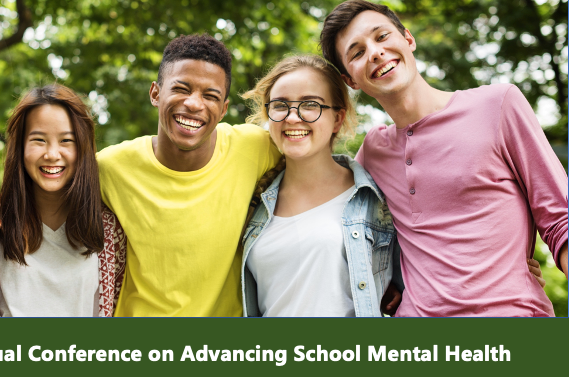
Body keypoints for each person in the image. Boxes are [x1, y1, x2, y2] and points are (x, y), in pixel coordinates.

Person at [320, 0, 567, 316]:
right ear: (350, 80)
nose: (375, 52)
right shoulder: (372, 152)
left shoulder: (498, 105)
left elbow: (560, 217)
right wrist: (387, 282)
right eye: (357, 52)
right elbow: (352, 233)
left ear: (408, 39)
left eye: (381, 37)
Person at [97, 34, 281, 316]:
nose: (194, 104)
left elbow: (314, 161)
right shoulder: (109, 166)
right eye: (182, 89)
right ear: (155, 94)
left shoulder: (255, 148)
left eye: (210, 96)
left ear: (223, 110)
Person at [240, 54, 401, 317]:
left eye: (310, 105)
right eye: (280, 105)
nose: (292, 118)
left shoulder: (375, 197)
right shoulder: (254, 203)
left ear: (338, 118)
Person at [0, 84, 126, 317]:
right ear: (20, 147)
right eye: (39, 140)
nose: (52, 154)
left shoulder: (111, 229)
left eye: (66, 140)